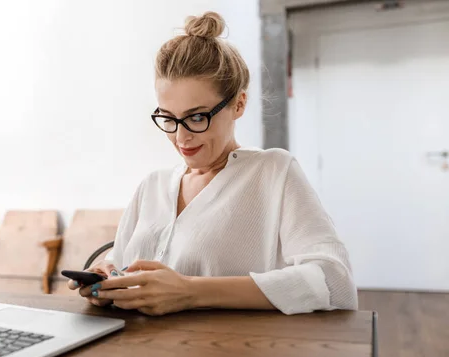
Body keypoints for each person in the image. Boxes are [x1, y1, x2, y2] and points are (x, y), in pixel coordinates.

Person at [67, 11, 358, 316]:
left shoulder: (273, 172)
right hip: (139, 354)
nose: (181, 137)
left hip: (229, 356)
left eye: (196, 117)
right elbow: (125, 261)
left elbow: (335, 282)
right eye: (168, 118)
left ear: (239, 104)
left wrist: (191, 292)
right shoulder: (151, 186)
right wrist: (108, 277)